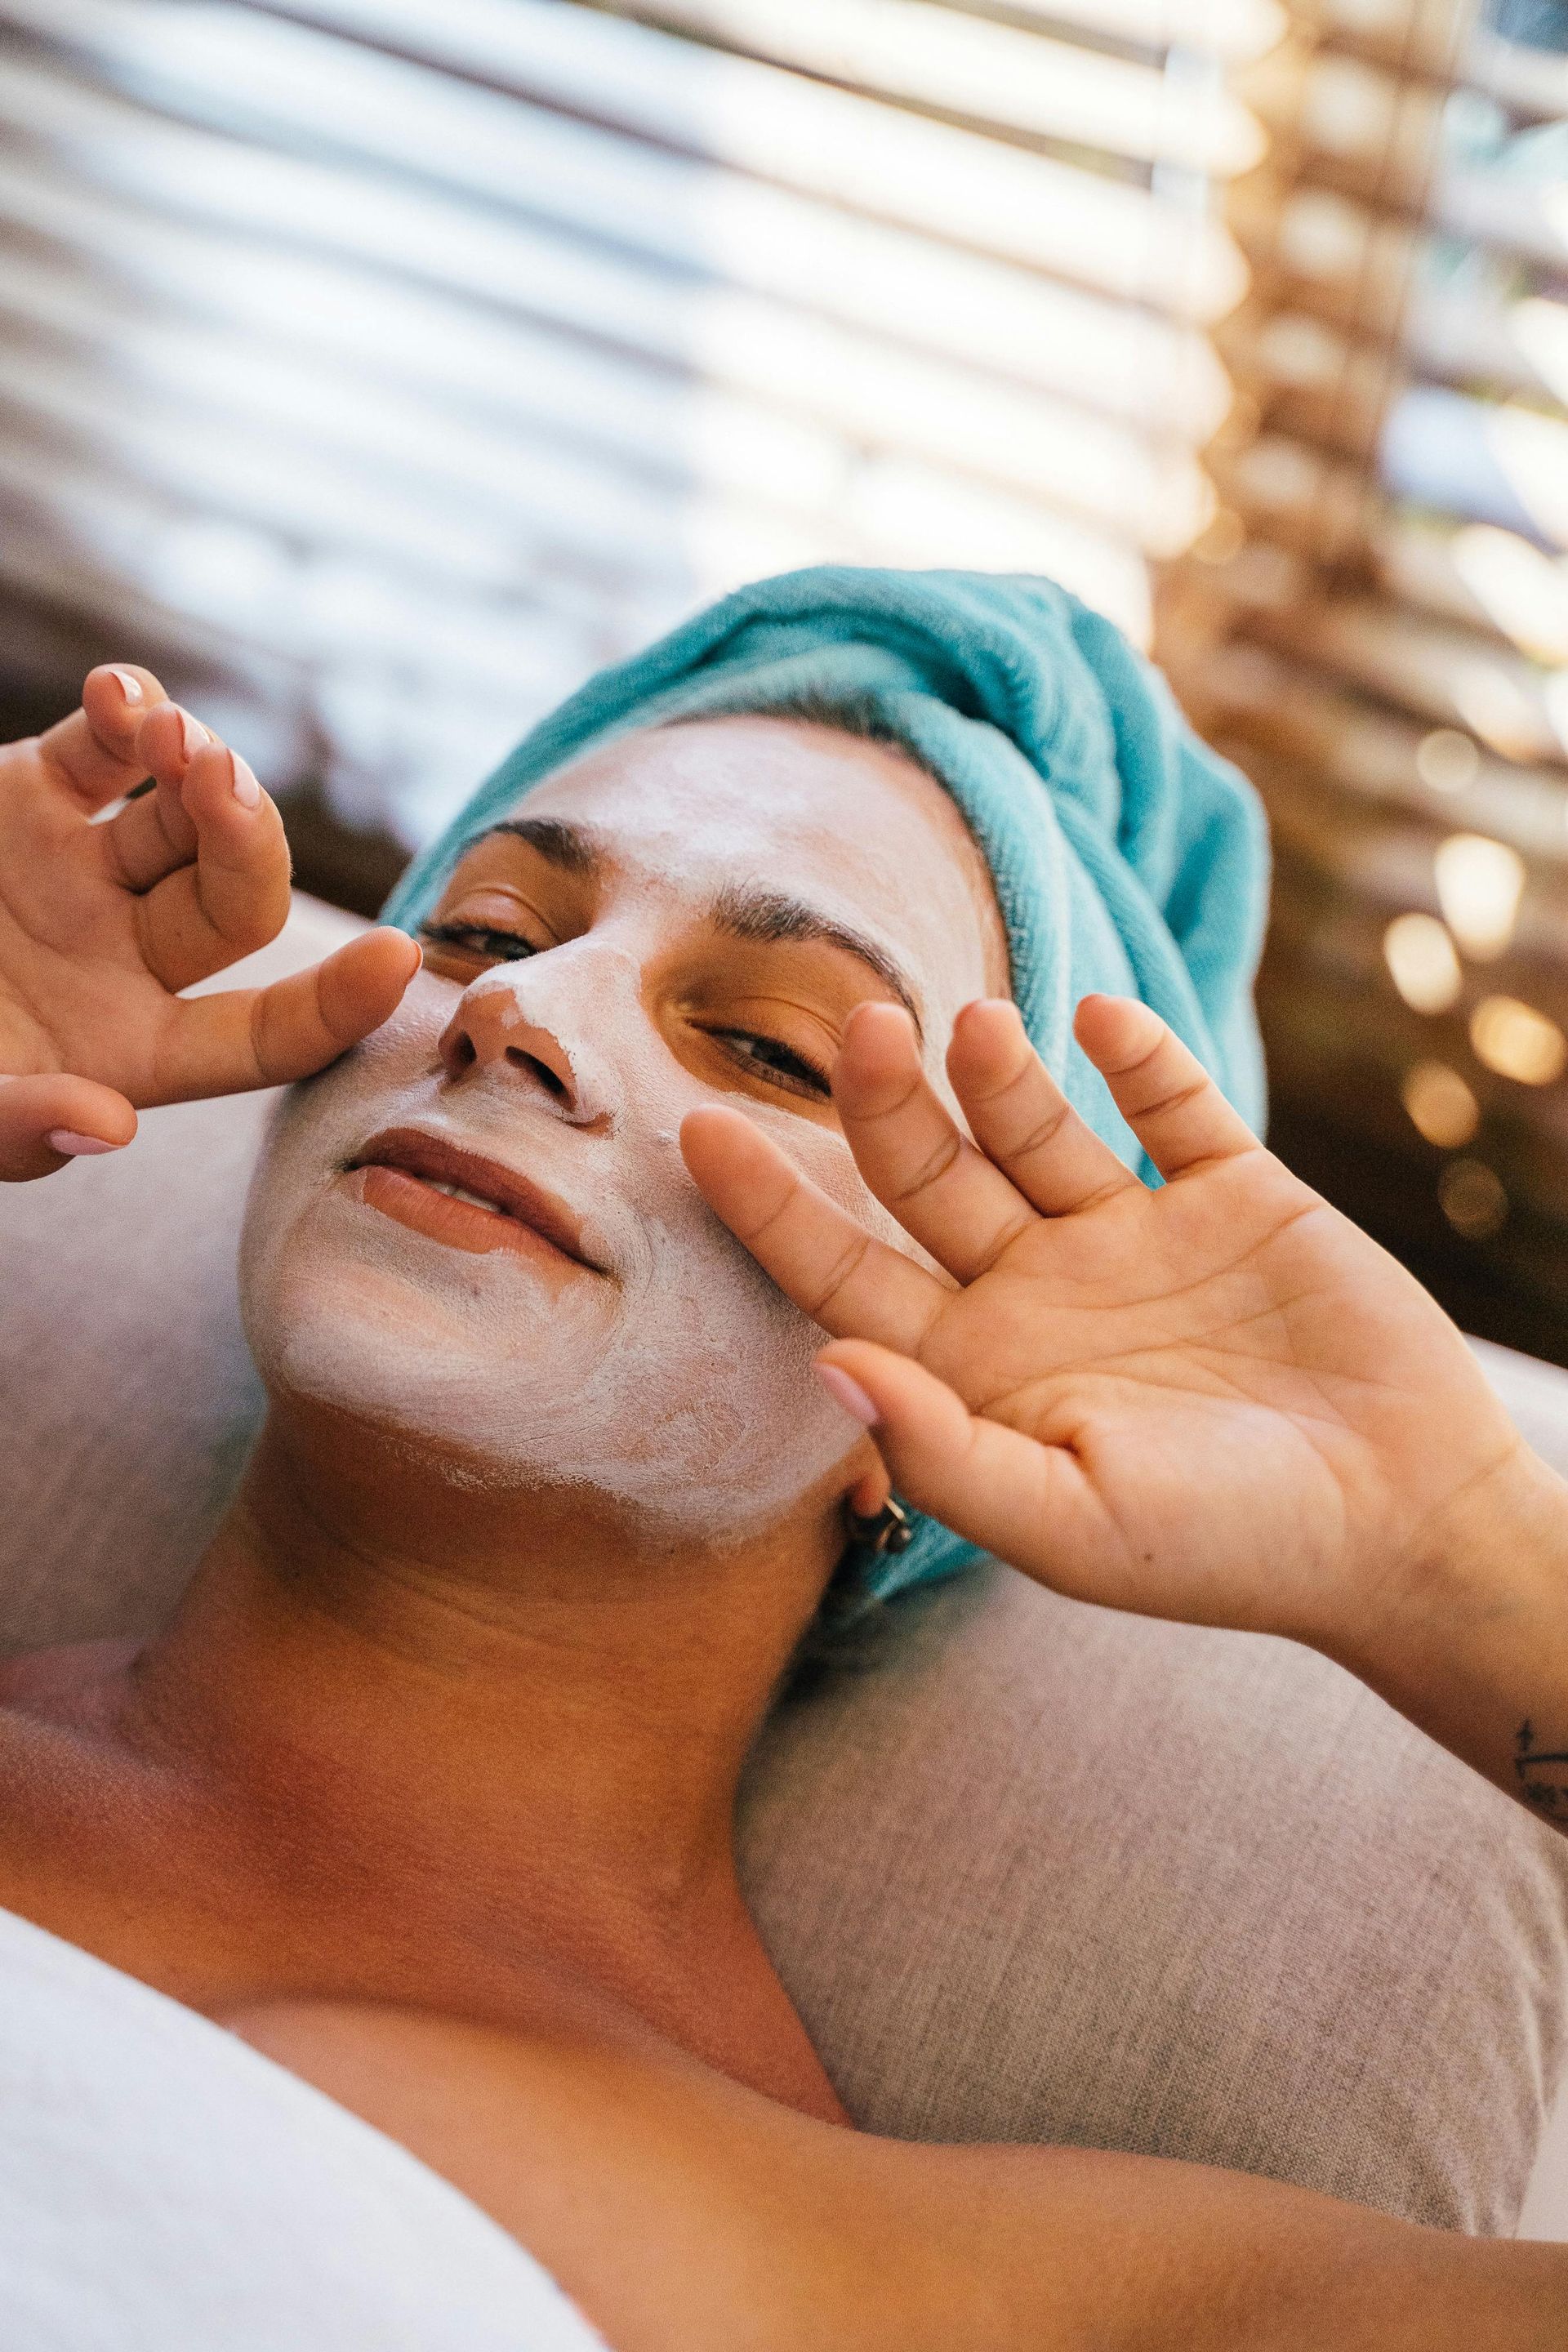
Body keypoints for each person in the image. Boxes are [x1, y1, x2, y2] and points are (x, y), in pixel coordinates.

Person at [2, 570, 1567, 2350]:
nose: (518, 1016)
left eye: (767, 1044)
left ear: (926, 1431)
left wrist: (1466, 1564)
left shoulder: (936, 2297)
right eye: (491, 930)